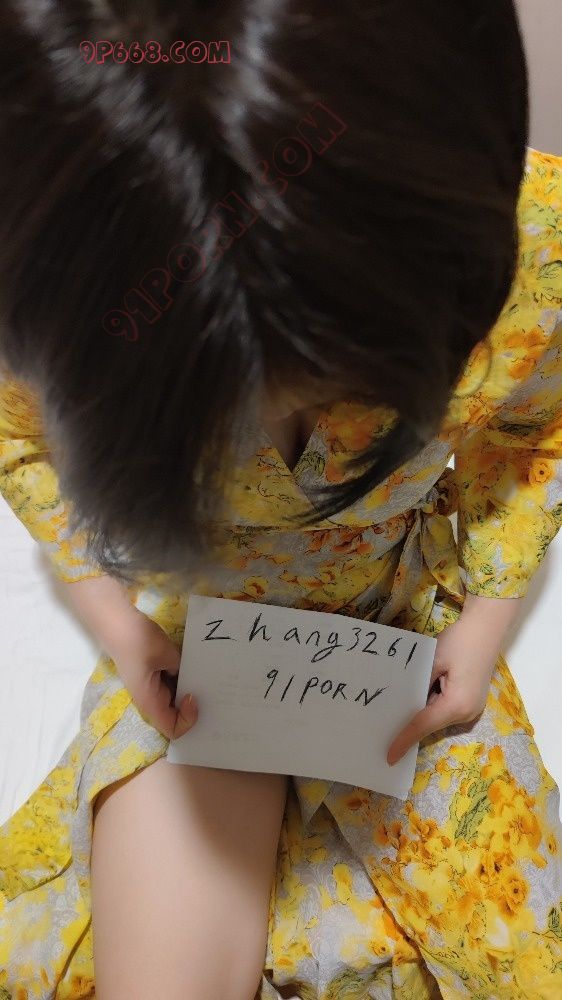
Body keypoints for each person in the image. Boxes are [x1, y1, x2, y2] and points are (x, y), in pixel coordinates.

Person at [0, 1, 561, 997]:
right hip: (197, 633)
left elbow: (530, 436)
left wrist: (479, 634)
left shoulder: (530, 255)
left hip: (398, 632)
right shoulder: (61, 271)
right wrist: (122, 630)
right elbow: (22, 440)